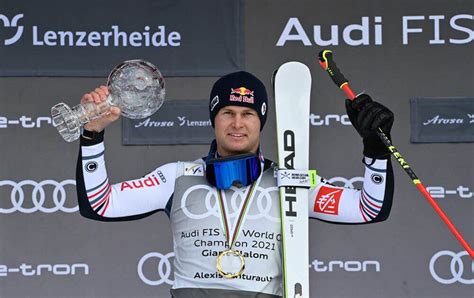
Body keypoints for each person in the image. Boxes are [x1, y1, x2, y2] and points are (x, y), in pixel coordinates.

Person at [76, 71, 394, 297]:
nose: (237, 123)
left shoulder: (291, 182)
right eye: (227, 112)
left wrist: (376, 151)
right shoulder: (177, 176)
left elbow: (369, 208)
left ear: (262, 121)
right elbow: (100, 204)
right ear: (214, 119)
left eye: (248, 113)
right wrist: (92, 135)